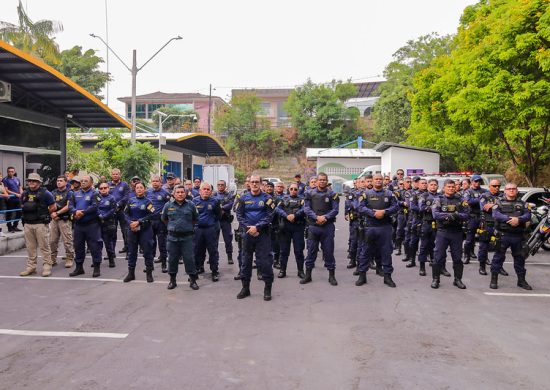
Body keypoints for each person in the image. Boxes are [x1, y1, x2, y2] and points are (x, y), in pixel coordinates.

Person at [235, 175, 276, 301]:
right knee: (245, 262)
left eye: (256, 182)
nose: (254, 184)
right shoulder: (242, 198)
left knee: (265, 262)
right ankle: (245, 288)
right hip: (247, 234)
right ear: (249, 183)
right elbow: (239, 215)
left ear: (261, 184)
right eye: (252, 182)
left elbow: (270, 216)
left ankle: (267, 289)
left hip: (262, 235)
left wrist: (257, 227)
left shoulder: (268, 199)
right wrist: (249, 228)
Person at [356, 173, 399, 287]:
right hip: (370, 227)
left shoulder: (390, 194)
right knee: (365, 252)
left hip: (385, 227)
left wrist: (384, 212)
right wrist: (374, 213)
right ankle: (362, 276)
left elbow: (396, 207)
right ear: (372, 181)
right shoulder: (366, 194)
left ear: (384, 181)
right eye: (376, 179)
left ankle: (387, 277)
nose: (379, 181)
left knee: (386, 252)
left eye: (380, 179)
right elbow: (360, 207)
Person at [490, 183, 532, 290]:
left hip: (518, 236)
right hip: (503, 235)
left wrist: (519, 220)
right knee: (498, 258)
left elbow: (528, 215)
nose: (511, 191)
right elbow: (496, 215)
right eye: (509, 189)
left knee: (520, 259)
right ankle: (494, 279)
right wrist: (510, 219)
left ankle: (521, 281)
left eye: (514, 189)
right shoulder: (498, 203)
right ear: (505, 191)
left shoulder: (523, 204)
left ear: (517, 190)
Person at [301, 172, 340, 286]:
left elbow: (335, 210)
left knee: (328, 251)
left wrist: (325, 217)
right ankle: (308, 275)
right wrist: (316, 217)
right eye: (320, 180)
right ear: (317, 181)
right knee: (311, 251)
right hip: (313, 226)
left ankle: (331, 276)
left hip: (327, 227)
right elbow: (306, 209)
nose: (322, 181)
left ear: (327, 181)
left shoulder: (333, 194)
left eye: (324, 180)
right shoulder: (309, 193)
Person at [431, 179, 470, 289]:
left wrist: (456, 215)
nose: (451, 188)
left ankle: (458, 280)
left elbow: (467, 214)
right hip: (442, 232)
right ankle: (436, 279)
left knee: (457, 258)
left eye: (453, 187)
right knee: (438, 257)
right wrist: (449, 215)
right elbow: (436, 214)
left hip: (456, 233)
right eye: (449, 187)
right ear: (444, 188)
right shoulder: (438, 199)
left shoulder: (461, 200)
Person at [161, 185, 199, 290]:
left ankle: (193, 280)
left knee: (189, 259)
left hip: (187, 237)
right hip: (172, 238)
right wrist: (173, 227)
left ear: (185, 193)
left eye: (182, 192)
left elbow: (195, 219)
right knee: (172, 259)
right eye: (178, 192)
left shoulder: (191, 205)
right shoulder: (168, 205)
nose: (180, 194)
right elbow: (164, 219)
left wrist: (186, 227)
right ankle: (172, 281)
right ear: (173, 193)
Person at [19, 173, 56, 277]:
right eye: (30, 181)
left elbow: (53, 207)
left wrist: (44, 214)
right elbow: (22, 205)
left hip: (40, 224)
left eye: (34, 181)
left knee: (44, 246)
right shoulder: (25, 193)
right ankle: (31, 267)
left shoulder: (46, 193)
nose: (31, 183)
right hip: (28, 224)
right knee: (30, 247)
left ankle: (47, 266)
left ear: (39, 182)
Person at [69, 175, 103, 278]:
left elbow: (94, 206)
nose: (83, 182)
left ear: (91, 183)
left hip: (92, 225)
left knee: (95, 247)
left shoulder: (95, 193)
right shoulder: (75, 193)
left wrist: (82, 212)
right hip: (79, 225)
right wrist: (75, 211)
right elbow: (70, 205)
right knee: (78, 246)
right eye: (82, 181)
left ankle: (96, 267)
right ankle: (79, 268)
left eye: (85, 181)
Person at [123, 182, 155, 283]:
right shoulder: (130, 201)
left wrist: (139, 222)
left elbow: (152, 215)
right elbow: (125, 213)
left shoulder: (148, 202)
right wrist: (130, 223)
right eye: (137, 188)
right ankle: (131, 273)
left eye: (141, 187)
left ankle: (149, 273)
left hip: (145, 229)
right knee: (132, 252)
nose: (139, 189)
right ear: (135, 189)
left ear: (145, 189)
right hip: (132, 229)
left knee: (147, 252)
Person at [275, 183, 306, 278]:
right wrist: (286, 215)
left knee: (299, 251)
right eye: (291, 188)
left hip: (298, 227)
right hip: (285, 228)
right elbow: (277, 209)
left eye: (295, 189)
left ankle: (300, 271)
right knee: (284, 251)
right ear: (289, 189)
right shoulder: (283, 199)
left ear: (298, 190)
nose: (293, 190)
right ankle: (282, 270)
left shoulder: (302, 200)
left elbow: (305, 209)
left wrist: (295, 215)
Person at [193, 182, 222, 281]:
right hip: (198, 230)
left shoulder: (215, 201)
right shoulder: (194, 201)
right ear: (200, 190)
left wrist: (210, 222)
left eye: (208, 189)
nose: (206, 191)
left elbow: (218, 215)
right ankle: (197, 269)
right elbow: (191, 216)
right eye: (204, 189)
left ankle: (214, 271)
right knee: (197, 250)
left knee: (213, 251)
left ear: (211, 191)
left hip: (210, 229)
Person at [478, 180, 504, 276]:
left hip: (500, 224)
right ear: (490, 186)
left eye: (498, 185)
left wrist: (493, 205)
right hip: (487, 224)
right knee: (483, 247)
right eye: (494, 186)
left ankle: (499, 267)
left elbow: (505, 208)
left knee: (501, 247)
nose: (497, 187)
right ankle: (482, 266)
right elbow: (484, 208)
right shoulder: (484, 196)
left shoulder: (503, 196)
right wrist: (499, 206)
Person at [146, 175, 171, 272]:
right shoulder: (147, 192)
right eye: (153, 181)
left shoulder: (165, 193)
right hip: (150, 221)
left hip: (161, 222)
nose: (155, 183)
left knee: (162, 244)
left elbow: (169, 206)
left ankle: (164, 264)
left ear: (161, 182)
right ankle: (150, 265)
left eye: (157, 181)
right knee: (151, 244)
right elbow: (147, 204)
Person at [49, 175, 75, 269]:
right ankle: (52, 259)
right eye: (57, 180)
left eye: (61, 181)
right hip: (54, 220)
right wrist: (52, 213)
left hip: (65, 219)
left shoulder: (69, 192)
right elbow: (49, 204)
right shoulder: (53, 192)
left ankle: (69, 258)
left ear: (66, 182)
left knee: (67, 240)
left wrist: (57, 213)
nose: (58, 182)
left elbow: (69, 206)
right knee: (52, 241)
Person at [416, 179, 439, 276]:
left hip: (438, 224)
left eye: (435, 185)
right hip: (426, 223)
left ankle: (437, 265)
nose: (433, 186)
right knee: (424, 245)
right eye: (431, 184)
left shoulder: (440, 196)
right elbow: (421, 208)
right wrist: (434, 208)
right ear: (428, 186)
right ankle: (422, 267)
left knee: (436, 246)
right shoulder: (424, 196)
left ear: (437, 186)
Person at [463, 175, 487, 263]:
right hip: (472, 216)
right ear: (472, 181)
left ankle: (485, 257)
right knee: (469, 239)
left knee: (484, 238)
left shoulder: (484, 191)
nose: (477, 183)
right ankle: (466, 255)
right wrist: (480, 199)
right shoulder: (468, 191)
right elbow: (468, 201)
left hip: (482, 216)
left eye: (479, 181)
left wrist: (478, 199)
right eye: (476, 181)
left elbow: (489, 199)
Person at [108, 169, 130, 254]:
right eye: (113, 174)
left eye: (116, 174)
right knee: (112, 231)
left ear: (119, 175)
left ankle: (127, 250)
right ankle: (112, 251)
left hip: (122, 211)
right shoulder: (108, 185)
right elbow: (107, 195)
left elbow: (126, 197)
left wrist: (118, 204)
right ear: (111, 175)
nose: (115, 175)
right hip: (112, 212)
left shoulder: (124, 184)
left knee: (125, 231)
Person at [214, 180, 235, 265]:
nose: (220, 186)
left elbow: (230, 204)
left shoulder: (229, 195)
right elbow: (212, 204)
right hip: (216, 220)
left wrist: (221, 208)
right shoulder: (214, 195)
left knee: (228, 240)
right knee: (214, 240)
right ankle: (214, 257)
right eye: (218, 185)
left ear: (225, 186)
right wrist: (220, 208)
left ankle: (229, 257)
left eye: (222, 185)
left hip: (226, 220)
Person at [97, 182, 117, 268]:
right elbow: (95, 207)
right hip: (97, 223)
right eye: (101, 188)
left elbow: (113, 210)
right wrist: (99, 215)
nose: (103, 190)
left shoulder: (111, 198)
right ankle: (97, 260)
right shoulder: (96, 198)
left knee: (108, 243)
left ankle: (111, 260)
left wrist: (104, 216)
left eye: (105, 188)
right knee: (97, 244)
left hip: (108, 223)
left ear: (108, 188)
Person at [2, 166, 23, 233]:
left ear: (14, 172)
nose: (10, 173)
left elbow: (20, 187)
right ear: (7, 172)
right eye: (9, 171)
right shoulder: (5, 179)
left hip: (17, 199)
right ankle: (9, 227)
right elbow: (6, 190)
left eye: (12, 171)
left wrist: (21, 193)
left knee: (19, 212)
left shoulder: (17, 179)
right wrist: (16, 194)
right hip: (10, 199)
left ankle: (15, 226)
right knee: (9, 213)